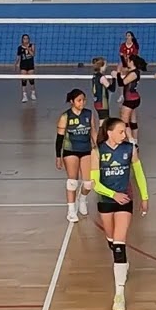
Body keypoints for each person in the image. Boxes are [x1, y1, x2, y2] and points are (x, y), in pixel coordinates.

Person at [89, 117, 149, 310]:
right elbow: (95, 184)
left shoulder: (130, 150)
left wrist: (145, 196)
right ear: (110, 133)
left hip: (125, 201)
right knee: (111, 241)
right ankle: (122, 264)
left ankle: (119, 294)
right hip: (106, 202)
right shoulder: (97, 152)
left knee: (119, 243)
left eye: (126, 131)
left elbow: (139, 173)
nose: (125, 135)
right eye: (122, 132)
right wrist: (112, 194)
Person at [56, 88, 97, 223]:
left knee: (88, 183)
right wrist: (58, 157)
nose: (82, 103)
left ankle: (82, 199)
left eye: (84, 100)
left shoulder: (88, 114)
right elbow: (59, 139)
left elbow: (93, 132)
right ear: (72, 101)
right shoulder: (65, 117)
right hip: (70, 151)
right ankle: (71, 211)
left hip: (86, 149)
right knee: (72, 182)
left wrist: (98, 148)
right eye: (79, 100)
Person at [118, 53, 146, 144]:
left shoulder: (134, 73)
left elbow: (122, 83)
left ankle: (132, 141)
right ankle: (135, 140)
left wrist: (117, 73)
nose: (127, 62)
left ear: (132, 62)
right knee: (133, 120)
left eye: (128, 60)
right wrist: (122, 57)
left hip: (130, 100)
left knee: (124, 121)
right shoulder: (133, 71)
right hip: (134, 99)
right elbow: (126, 69)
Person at [90, 57, 112, 121]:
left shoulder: (95, 76)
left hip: (97, 101)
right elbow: (112, 89)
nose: (106, 66)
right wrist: (114, 78)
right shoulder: (101, 77)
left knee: (102, 121)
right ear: (101, 66)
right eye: (105, 65)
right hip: (102, 103)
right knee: (103, 122)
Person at [17, 34, 36, 103]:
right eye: (24, 38)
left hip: (30, 64)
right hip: (23, 65)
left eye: (27, 38)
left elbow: (33, 54)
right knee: (23, 80)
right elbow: (19, 57)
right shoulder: (19, 47)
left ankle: (33, 93)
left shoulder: (32, 45)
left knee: (31, 80)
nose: (26, 40)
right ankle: (24, 96)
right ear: (22, 39)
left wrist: (27, 48)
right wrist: (16, 64)